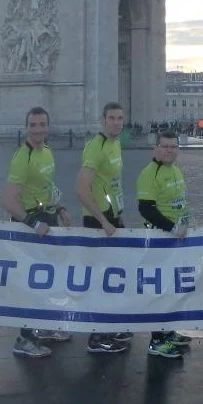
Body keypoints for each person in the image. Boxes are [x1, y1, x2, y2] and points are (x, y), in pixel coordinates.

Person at [1, 106, 73, 358]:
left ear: (47, 127)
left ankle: (42, 328)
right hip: (29, 222)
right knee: (30, 282)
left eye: (42, 124)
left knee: (45, 277)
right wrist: (32, 223)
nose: (38, 130)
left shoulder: (48, 153)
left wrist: (61, 208)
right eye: (33, 125)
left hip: (47, 218)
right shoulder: (23, 157)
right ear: (26, 127)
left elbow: (48, 188)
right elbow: (8, 200)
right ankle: (24, 337)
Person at [75, 102, 131, 354]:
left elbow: (112, 183)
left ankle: (110, 326)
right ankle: (96, 337)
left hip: (111, 216)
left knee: (112, 276)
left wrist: (117, 216)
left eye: (120, 118)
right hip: (97, 220)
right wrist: (103, 220)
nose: (117, 122)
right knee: (100, 279)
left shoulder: (115, 143)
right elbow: (81, 189)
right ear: (103, 120)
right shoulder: (95, 147)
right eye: (112, 118)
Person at [136, 131, 193, 359]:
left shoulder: (175, 170)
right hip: (159, 238)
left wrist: (187, 223)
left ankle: (168, 332)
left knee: (170, 288)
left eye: (173, 146)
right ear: (155, 148)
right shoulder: (150, 173)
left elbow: (180, 203)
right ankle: (157, 340)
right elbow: (146, 209)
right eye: (165, 146)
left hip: (175, 237)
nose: (170, 150)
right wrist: (171, 228)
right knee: (159, 289)